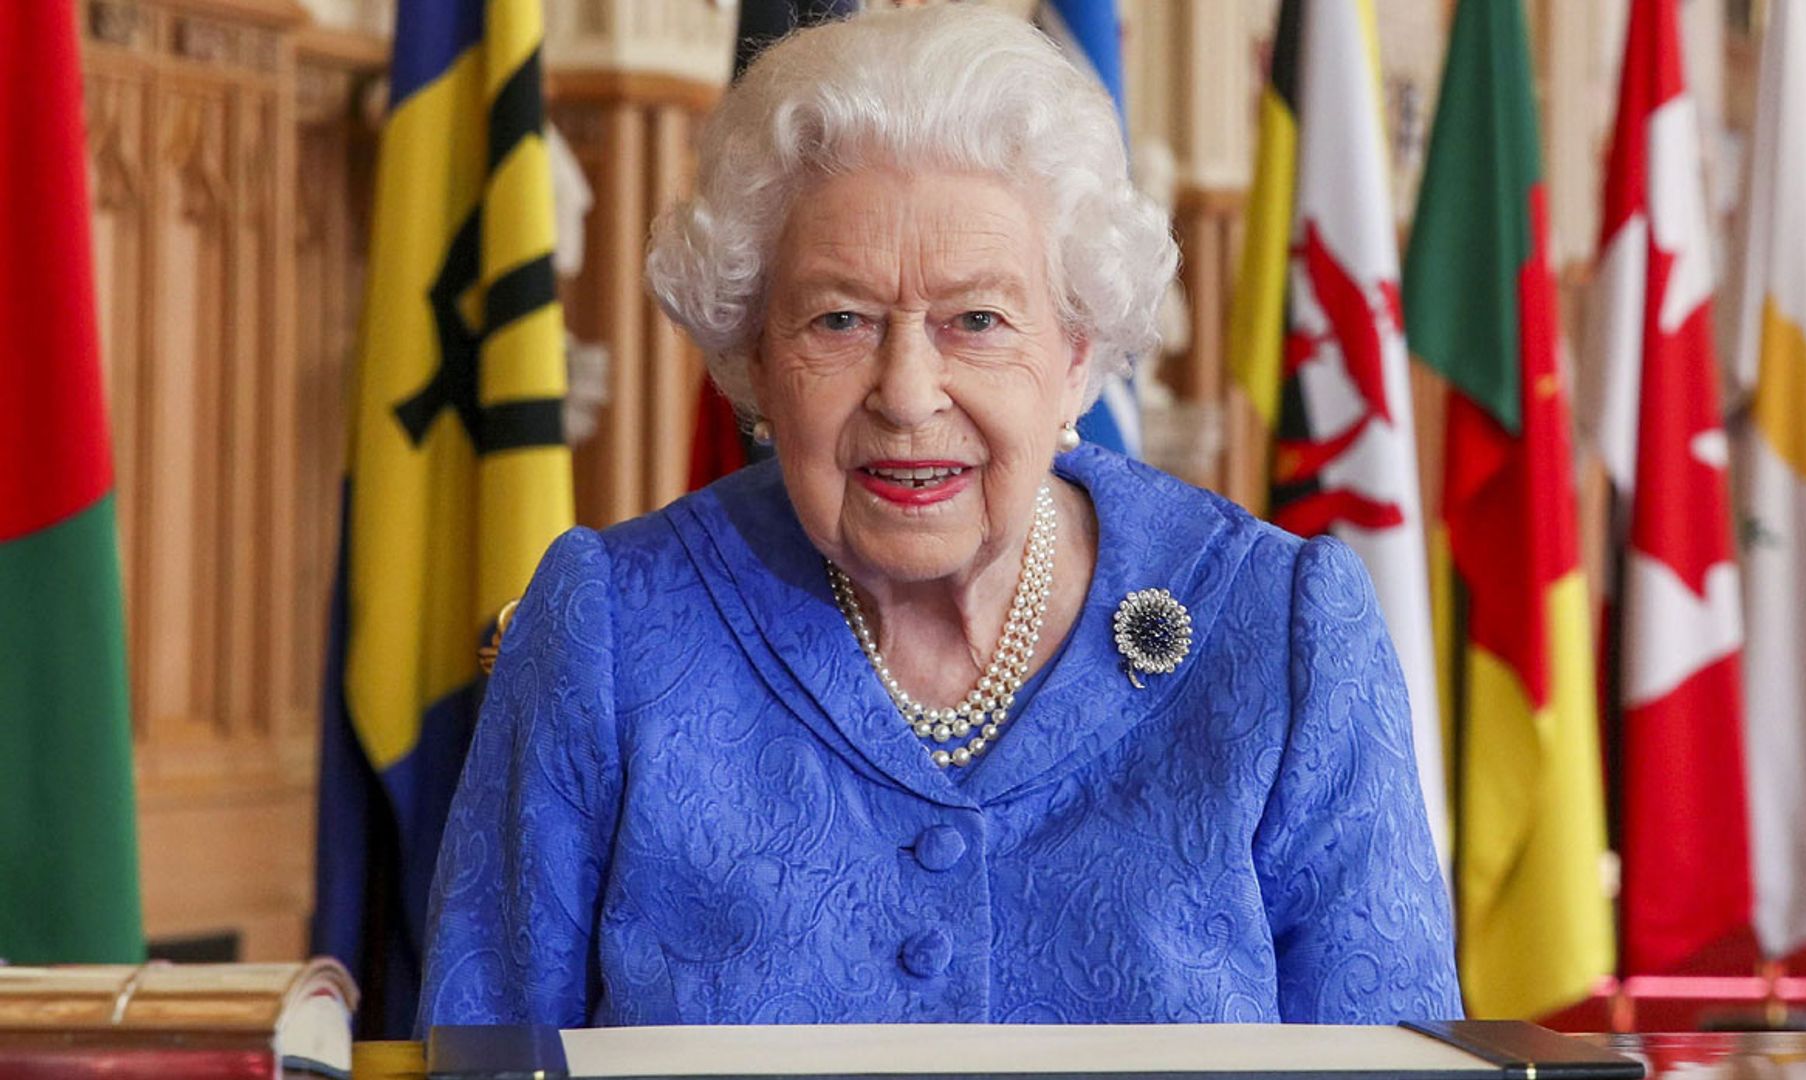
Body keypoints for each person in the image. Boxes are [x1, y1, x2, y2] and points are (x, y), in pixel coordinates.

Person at [416, 4, 1459, 1029]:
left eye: (976, 321)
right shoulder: (614, 630)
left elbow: (1399, 1057)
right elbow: (485, 1048)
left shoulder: (1278, 634)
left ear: (1078, 355)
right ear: (752, 359)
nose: (908, 392)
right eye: (841, 319)